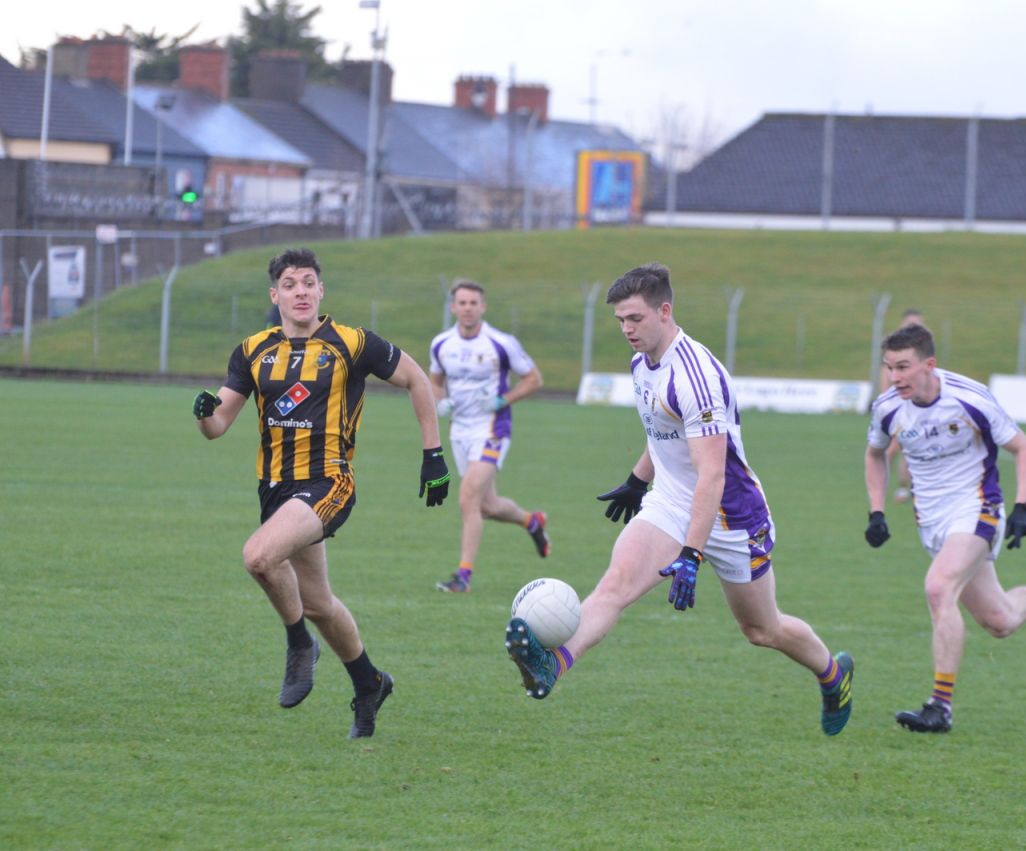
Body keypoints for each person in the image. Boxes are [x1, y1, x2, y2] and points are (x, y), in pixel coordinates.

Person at [503, 262, 856, 736]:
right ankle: (553, 664)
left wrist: (691, 553)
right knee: (615, 585)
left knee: (761, 630)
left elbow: (711, 474)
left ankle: (834, 674)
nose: (627, 330)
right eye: (620, 321)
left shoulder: (696, 377)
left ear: (664, 311)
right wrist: (636, 478)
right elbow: (664, 431)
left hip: (732, 518)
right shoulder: (641, 362)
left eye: (635, 319)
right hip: (671, 501)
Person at [192, 247, 451, 739]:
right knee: (318, 603)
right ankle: (369, 682)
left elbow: (417, 379)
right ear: (276, 295)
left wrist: (433, 454)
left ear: (321, 290)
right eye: (290, 284)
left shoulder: (352, 342)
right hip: (275, 490)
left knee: (258, 557)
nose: (301, 292)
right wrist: (204, 411)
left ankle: (298, 646)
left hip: (328, 482)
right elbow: (218, 424)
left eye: (309, 282)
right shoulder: (253, 350)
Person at [864, 323, 1026, 734]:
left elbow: (1024, 449)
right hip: (933, 522)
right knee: (1000, 621)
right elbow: (874, 455)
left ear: (929, 364)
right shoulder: (888, 407)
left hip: (977, 510)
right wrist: (877, 512)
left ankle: (939, 707)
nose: (894, 377)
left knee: (939, 588)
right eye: (889, 367)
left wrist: (1022, 507)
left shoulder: (969, 399)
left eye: (903, 367)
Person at [428, 279, 549, 593]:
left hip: (493, 429)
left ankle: (463, 577)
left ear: (483, 307)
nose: (468, 308)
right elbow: (435, 379)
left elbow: (534, 379)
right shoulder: (442, 344)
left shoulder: (501, 343)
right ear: (453, 307)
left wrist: (502, 400)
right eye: (462, 303)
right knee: (487, 506)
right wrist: (440, 400)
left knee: (468, 498)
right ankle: (531, 521)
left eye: (473, 303)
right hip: (460, 431)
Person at [878, 309, 925, 503]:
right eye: (911, 324)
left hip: (918, 409)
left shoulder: (923, 350)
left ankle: (906, 488)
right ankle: (882, 486)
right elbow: (885, 377)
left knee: (910, 447)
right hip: (898, 408)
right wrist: (886, 403)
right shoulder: (894, 350)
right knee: (889, 450)